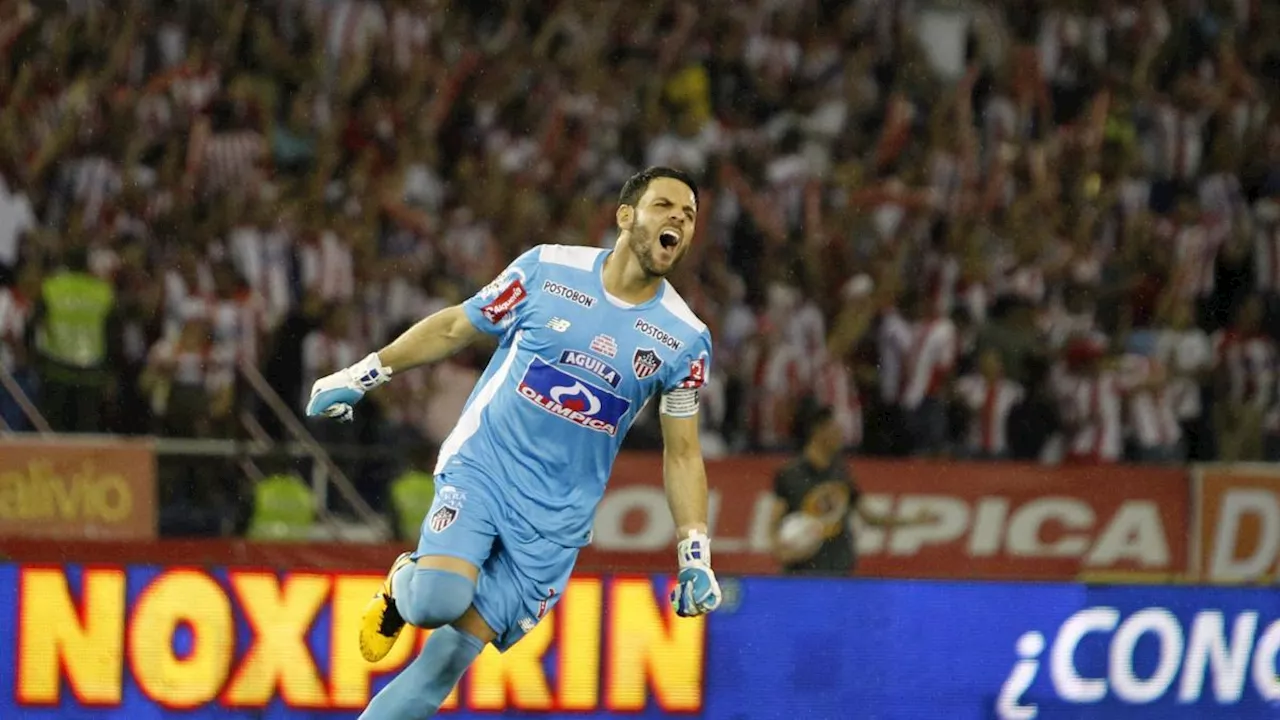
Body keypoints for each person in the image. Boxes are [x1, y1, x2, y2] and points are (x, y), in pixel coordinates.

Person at [305, 167, 722, 720]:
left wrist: (695, 554)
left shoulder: (684, 338)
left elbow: (683, 452)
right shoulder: (547, 269)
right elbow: (458, 326)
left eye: (689, 215)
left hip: (555, 522)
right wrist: (363, 374)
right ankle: (403, 582)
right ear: (625, 216)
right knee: (436, 602)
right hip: (487, 470)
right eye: (665, 205)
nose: (679, 219)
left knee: (444, 663)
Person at [770, 404, 925, 575]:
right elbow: (774, 522)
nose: (840, 435)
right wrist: (781, 552)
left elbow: (870, 518)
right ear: (818, 431)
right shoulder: (791, 474)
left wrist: (914, 520)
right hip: (802, 575)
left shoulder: (840, 473)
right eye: (835, 429)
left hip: (840, 572)